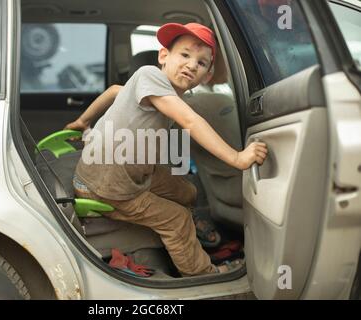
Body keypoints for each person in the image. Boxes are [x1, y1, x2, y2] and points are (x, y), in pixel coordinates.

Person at [65, 23, 267, 276]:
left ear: (205, 77)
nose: (192, 64)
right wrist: (237, 158)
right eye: (185, 55)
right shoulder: (150, 75)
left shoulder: (159, 91)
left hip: (117, 173)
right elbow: (191, 121)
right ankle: (203, 274)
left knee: (186, 191)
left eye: (201, 63)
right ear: (163, 56)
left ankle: (190, 237)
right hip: (108, 188)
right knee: (176, 219)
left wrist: (83, 121)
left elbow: (113, 91)